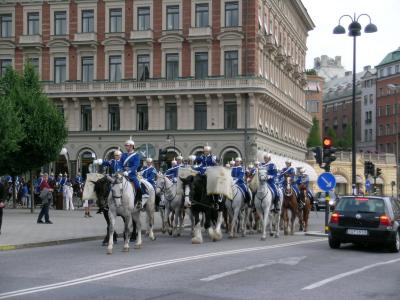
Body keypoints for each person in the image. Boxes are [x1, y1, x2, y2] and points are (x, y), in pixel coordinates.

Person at [121, 137, 143, 209]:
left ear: (131, 146)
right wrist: (121, 170)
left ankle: (139, 201)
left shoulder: (136, 155)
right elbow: (120, 164)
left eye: (127, 145)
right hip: (123, 174)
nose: (126, 147)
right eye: (126, 145)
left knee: (138, 187)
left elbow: (135, 166)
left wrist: (128, 171)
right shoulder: (123, 155)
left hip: (132, 175)